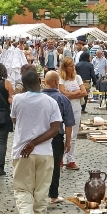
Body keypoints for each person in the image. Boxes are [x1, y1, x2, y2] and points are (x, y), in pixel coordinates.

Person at [10, 67, 62, 214]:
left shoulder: (17, 99)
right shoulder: (50, 102)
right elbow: (55, 128)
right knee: (40, 193)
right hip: (45, 153)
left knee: (23, 190)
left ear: (23, 86)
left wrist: (30, 142)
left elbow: (15, 120)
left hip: (22, 151)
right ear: (40, 82)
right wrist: (36, 142)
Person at [41, 71, 75, 205]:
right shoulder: (62, 99)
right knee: (55, 166)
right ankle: (53, 195)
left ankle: (37, 193)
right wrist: (68, 141)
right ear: (56, 83)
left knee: (39, 164)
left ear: (45, 81)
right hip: (56, 136)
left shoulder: (38, 97)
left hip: (39, 136)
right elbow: (69, 122)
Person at [58, 58, 86, 170]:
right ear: (65, 67)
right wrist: (76, 93)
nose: (73, 68)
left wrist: (71, 94)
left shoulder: (77, 78)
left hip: (76, 108)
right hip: (64, 109)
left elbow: (84, 92)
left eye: (73, 66)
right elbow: (63, 94)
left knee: (73, 136)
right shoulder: (61, 79)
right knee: (63, 135)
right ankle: (60, 158)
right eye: (70, 66)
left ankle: (70, 159)